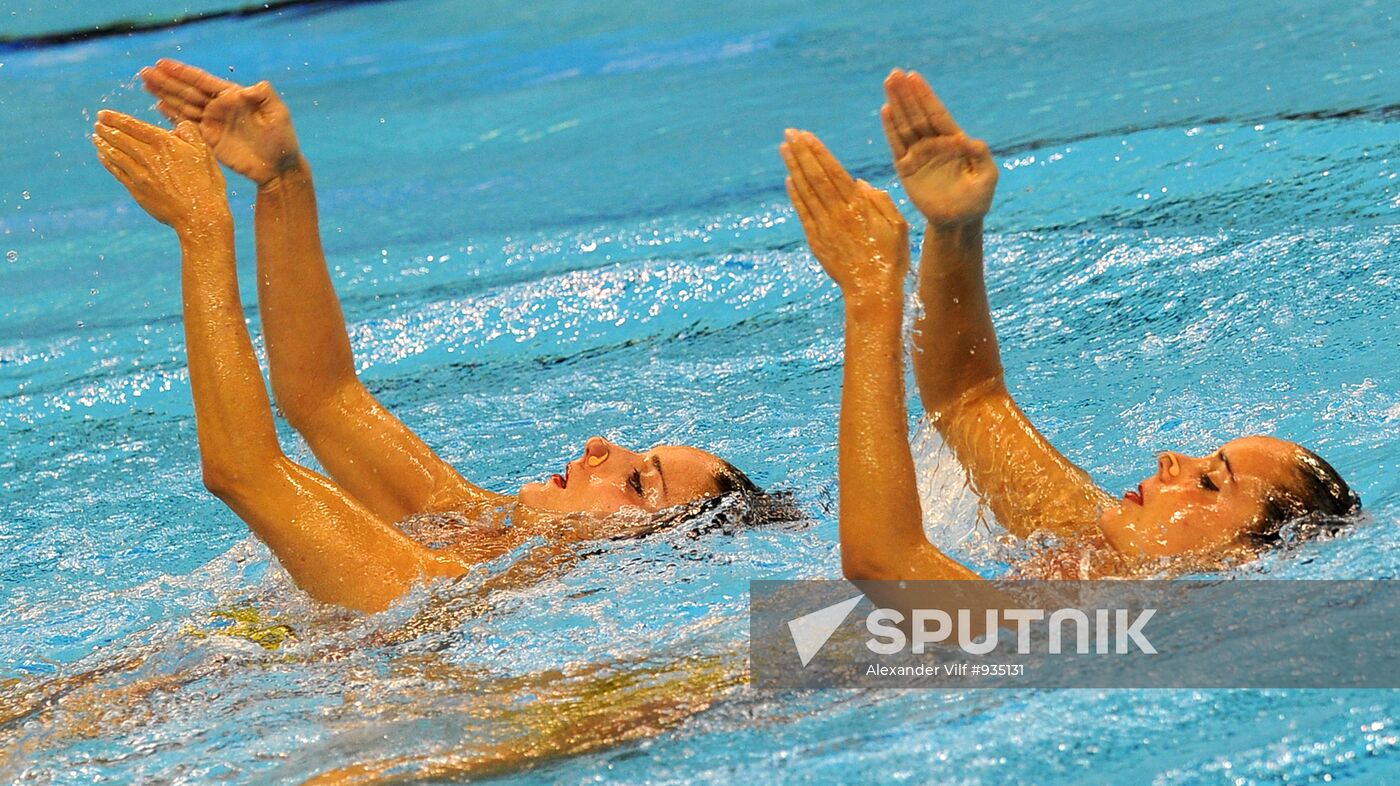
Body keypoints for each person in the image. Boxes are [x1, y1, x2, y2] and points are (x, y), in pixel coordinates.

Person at [89, 60, 761, 612]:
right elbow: (322, 397)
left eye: (641, 486)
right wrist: (283, 181)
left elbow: (244, 472)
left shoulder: (447, 597)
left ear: (635, 565)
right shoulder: (466, 526)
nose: (601, 446)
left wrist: (204, 233)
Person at [781, 69, 1360, 581]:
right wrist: (955, 228)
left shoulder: (1107, 631)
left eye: (1210, 483)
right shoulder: (1098, 546)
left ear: (1237, 561)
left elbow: (883, 564)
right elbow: (967, 400)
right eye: (1205, 461)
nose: (1172, 461)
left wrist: (871, 296)